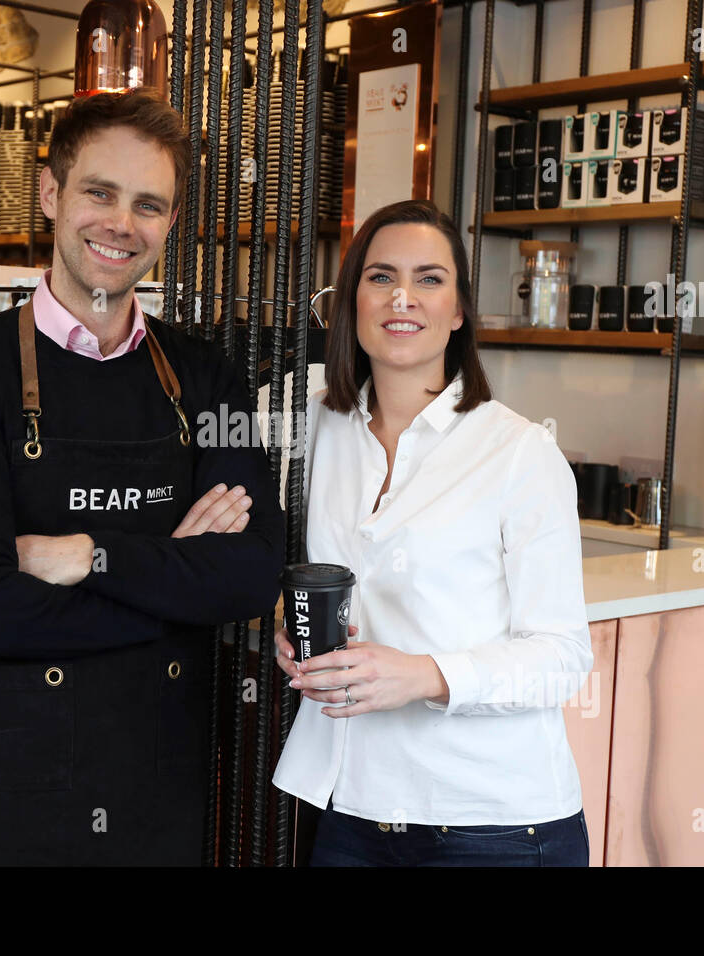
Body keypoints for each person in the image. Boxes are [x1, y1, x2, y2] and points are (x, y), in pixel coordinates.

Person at [0, 88, 284, 866]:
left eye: (149, 204)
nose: (121, 224)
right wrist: (177, 583)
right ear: (50, 194)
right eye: (99, 193)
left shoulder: (206, 380)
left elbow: (251, 574)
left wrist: (85, 556)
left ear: (168, 222)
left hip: (150, 790)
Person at [271, 199, 593, 866]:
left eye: (430, 279)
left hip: (491, 826)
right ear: (350, 301)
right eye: (381, 276)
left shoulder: (518, 452)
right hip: (351, 810)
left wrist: (423, 676)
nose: (402, 298)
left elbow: (562, 660)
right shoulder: (314, 431)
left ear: (459, 311)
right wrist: (286, 620)